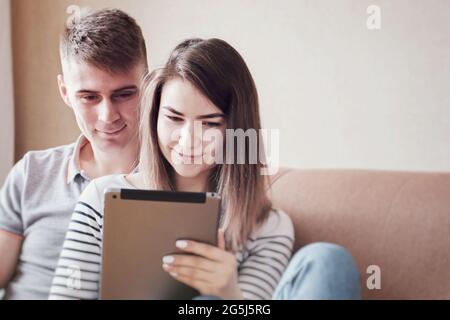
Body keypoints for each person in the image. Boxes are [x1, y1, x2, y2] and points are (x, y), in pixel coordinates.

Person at [49, 38, 361, 300]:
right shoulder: (103, 198)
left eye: (210, 123)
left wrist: (231, 293)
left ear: (238, 130)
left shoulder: (267, 225)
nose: (189, 140)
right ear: (155, 117)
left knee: (326, 261)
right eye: (174, 118)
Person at [0, 8, 147, 299]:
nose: (107, 116)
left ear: (148, 85)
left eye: (124, 94)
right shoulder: (32, 172)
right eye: (89, 97)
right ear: (65, 91)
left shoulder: (176, 181)